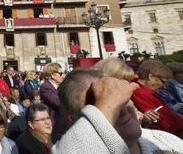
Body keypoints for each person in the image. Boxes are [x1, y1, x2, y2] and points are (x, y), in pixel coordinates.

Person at [53, 69, 183, 153]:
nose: (118, 107)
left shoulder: (165, 141)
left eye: (119, 95)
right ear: (74, 119)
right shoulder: (71, 146)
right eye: (97, 104)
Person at [131, 60, 183, 138]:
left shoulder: (146, 92)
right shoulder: (139, 93)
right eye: (163, 82)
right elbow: (163, 125)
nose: (165, 86)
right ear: (150, 77)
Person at [39, 63, 64, 141]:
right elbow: (58, 102)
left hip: (61, 121)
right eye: (60, 73)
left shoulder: (59, 86)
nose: (62, 76)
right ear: (53, 75)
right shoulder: (46, 87)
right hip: (54, 123)